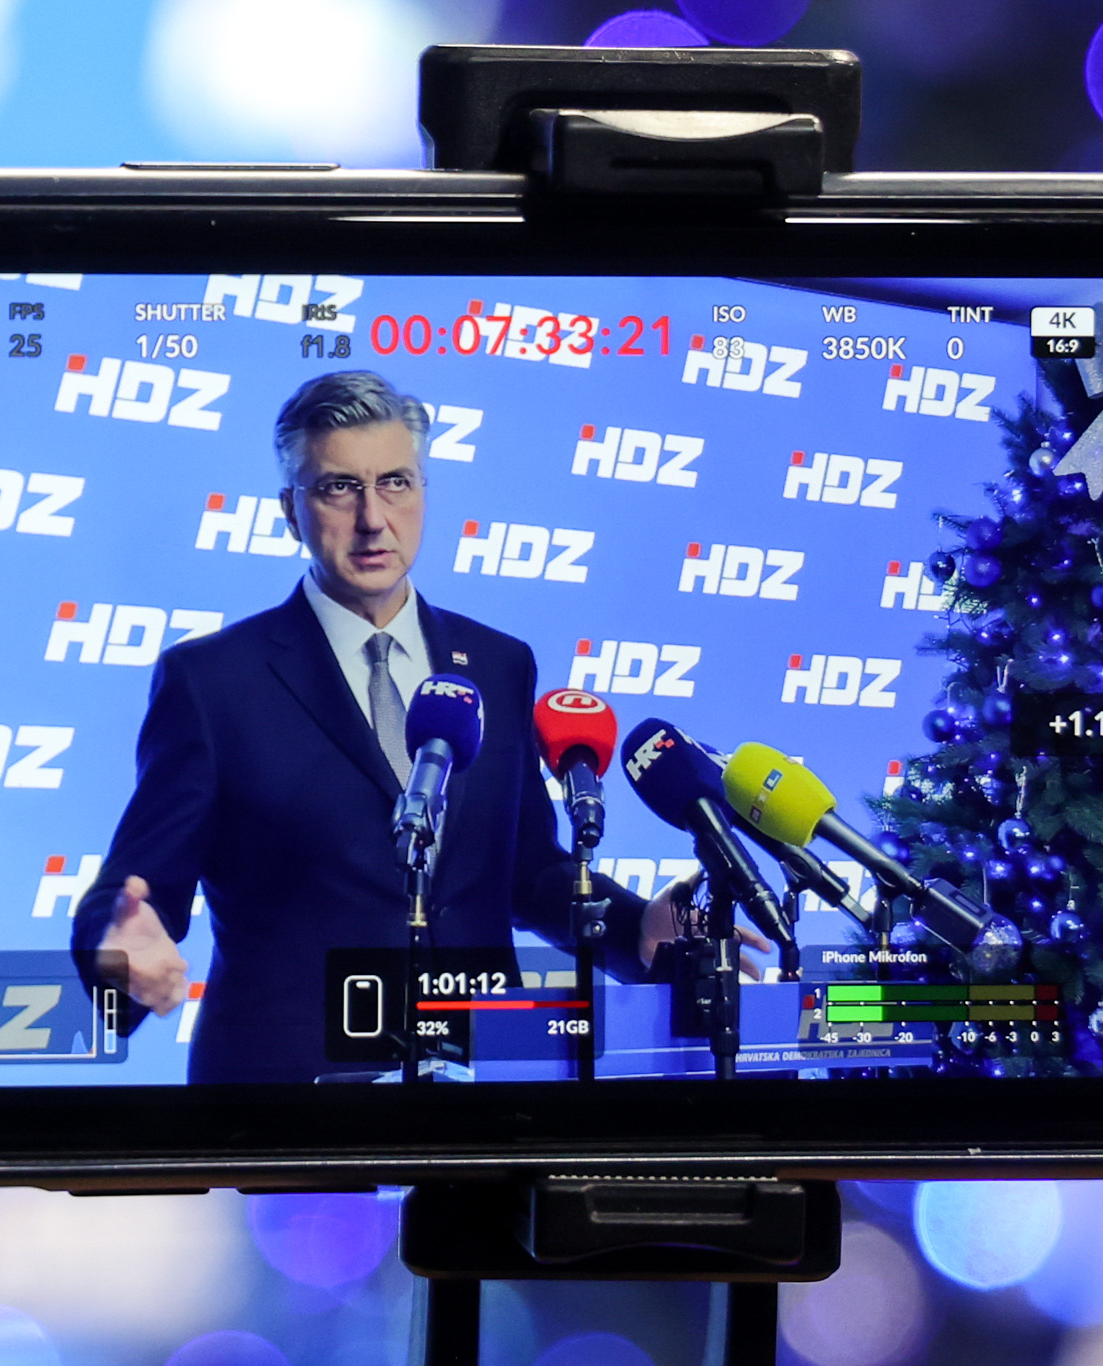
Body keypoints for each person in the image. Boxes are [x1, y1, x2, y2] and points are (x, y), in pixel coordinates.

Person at [67, 369, 694, 1085]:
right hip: (285, 1104)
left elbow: (525, 869)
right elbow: (136, 888)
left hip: (485, 1088)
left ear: (423, 491)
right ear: (290, 510)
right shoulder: (213, 682)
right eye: (340, 487)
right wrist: (118, 948)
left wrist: (636, 927)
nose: (373, 518)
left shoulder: (498, 663)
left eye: (395, 482)